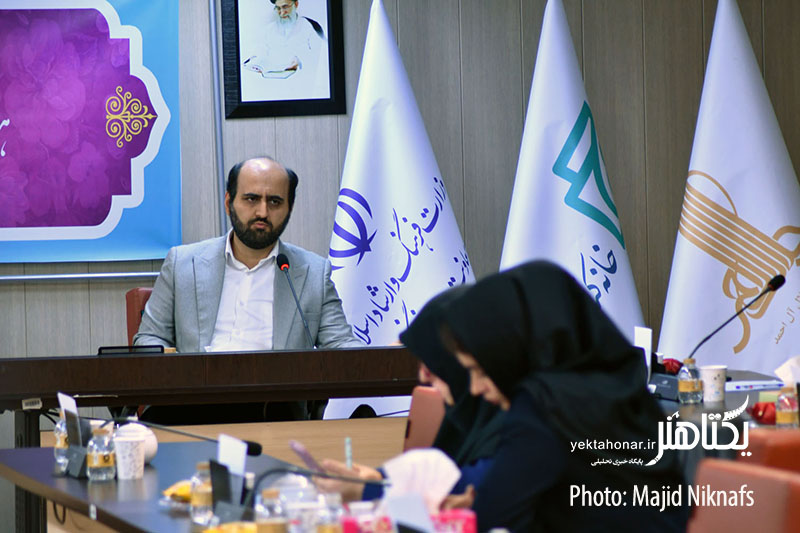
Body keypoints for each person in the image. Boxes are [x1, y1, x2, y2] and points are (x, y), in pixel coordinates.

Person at [439, 261, 688, 532]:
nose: (475, 388)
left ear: (512, 349)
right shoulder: (616, 381)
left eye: (480, 370)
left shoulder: (542, 406)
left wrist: (479, 507)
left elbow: (491, 518)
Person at [134, 156, 363, 421]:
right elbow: (148, 340)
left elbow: (341, 346)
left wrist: (385, 355)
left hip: (274, 410)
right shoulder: (183, 264)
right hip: (192, 404)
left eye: (275, 202)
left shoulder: (313, 272)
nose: (262, 212)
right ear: (228, 202)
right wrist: (176, 373)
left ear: (289, 208)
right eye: (251, 199)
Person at [318, 286, 505, 501]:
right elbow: (435, 471)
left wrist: (367, 489)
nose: (423, 376)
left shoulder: (520, 416)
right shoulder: (464, 409)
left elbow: (474, 485)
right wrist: (378, 477)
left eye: (432, 362)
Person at [243, 0, 325, 76]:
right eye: (278, 8)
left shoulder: (311, 26)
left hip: (303, 77)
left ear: (296, 4)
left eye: (285, 7)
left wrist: (299, 61)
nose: (282, 13)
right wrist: (256, 62)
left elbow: (322, 55)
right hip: (271, 79)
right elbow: (260, 50)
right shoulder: (269, 29)